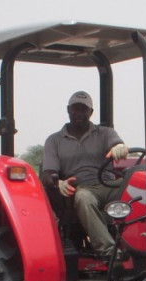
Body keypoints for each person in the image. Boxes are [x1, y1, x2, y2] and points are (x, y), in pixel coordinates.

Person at [41, 91, 128, 258]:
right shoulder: (54, 140)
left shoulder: (105, 133)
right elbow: (47, 173)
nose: (78, 113)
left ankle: (145, 246)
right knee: (83, 198)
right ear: (68, 110)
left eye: (83, 109)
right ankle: (110, 253)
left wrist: (119, 147)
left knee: (138, 192)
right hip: (81, 187)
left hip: (109, 185)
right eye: (75, 109)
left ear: (91, 112)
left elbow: (116, 143)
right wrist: (59, 182)